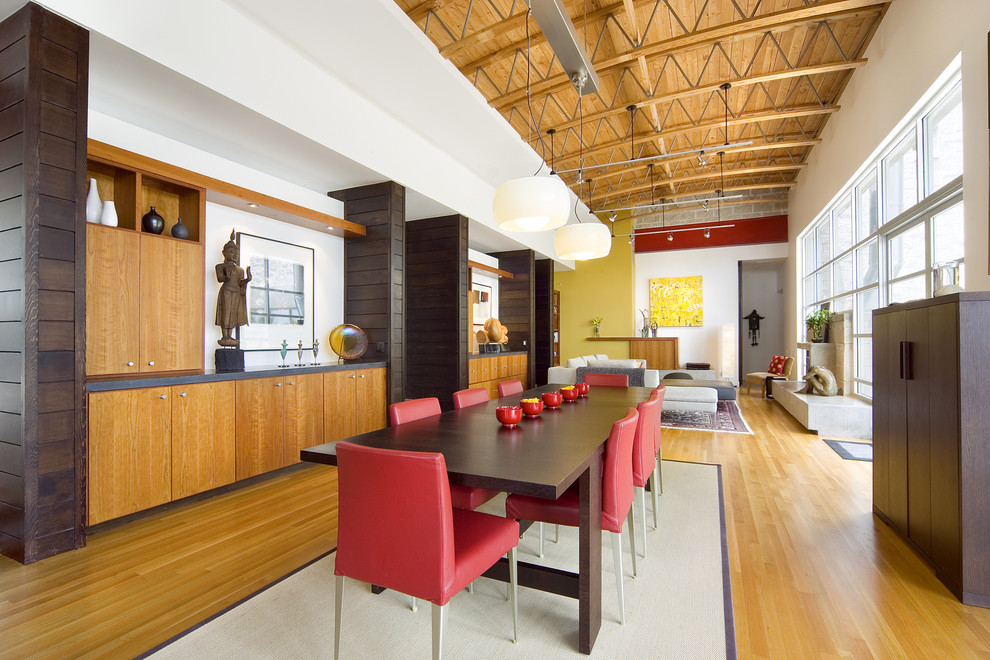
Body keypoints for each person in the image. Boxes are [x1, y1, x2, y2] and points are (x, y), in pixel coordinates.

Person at [215, 230, 252, 347]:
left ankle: (229, 335)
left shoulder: (240, 270)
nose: (235, 255)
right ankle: (224, 335)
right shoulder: (220, 266)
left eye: (237, 252)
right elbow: (220, 279)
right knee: (225, 312)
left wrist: (247, 279)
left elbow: (241, 283)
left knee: (233, 314)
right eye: (232, 252)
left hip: (236, 292)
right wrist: (227, 275)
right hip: (226, 291)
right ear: (224, 253)